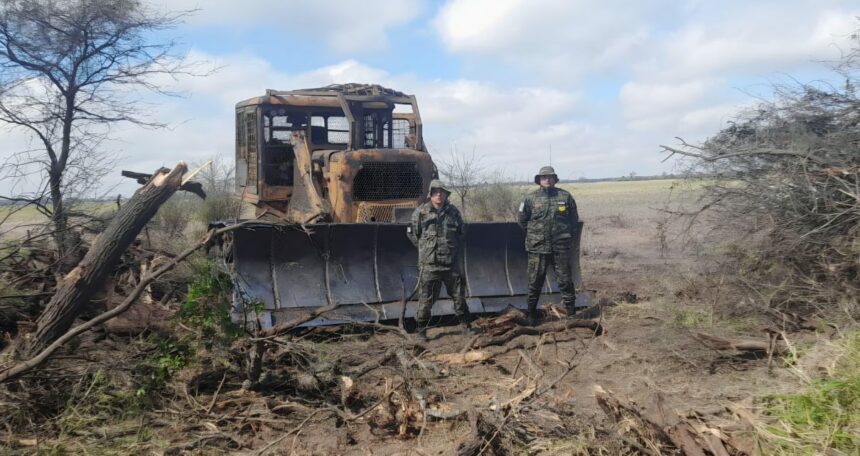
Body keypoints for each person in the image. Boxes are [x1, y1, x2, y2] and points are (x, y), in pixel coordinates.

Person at [407, 179, 473, 340]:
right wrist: (426, 250)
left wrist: (450, 249)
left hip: (450, 265)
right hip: (429, 266)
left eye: (441, 192)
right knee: (426, 300)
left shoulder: (453, 212)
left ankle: (466, 326)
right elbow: (412, 234)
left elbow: (461, 233)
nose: (439, 194)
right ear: (430, 194)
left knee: (459, 297)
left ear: (445, 195)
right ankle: (421, 331)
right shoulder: (420, 213)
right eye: (435, 192)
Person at [518, 166, 579, 325]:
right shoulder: (530, 199)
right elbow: (522, 220)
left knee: (565, 280)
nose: (547, 179)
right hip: (537, 248)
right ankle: (531, 314)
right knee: (535, 282)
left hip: (560, 247)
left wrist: (565, 235)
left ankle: (571, 313)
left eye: (550, 177)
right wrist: (536, 235)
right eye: (543, 177)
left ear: (554, 179)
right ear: (539, 180)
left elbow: (573, 220)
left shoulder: (565, 196)